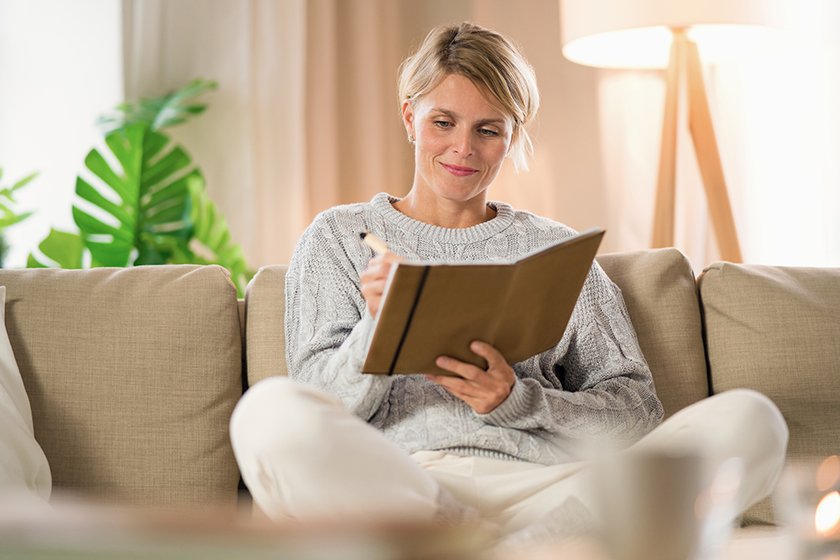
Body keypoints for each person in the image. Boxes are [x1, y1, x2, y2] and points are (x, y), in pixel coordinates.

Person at [230, 21, 787, 544]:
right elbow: (318, 402)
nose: (463, 149)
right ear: (409, 118)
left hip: (550, 489)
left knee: (754, 420)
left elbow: (636, 413)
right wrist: (380, 326)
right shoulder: (338, 236)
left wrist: (515, 399)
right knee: (267, 412)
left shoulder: (556, 251)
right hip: (400, 485)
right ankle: (470, 543)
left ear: (512, 135)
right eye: (442, 122)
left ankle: (514, 549)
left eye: (488, 130)